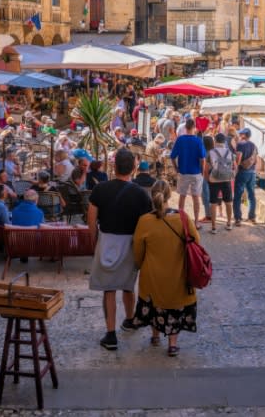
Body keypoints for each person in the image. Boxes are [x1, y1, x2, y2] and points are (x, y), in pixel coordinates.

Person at [88, 149, 153, 350]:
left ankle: (110, 334)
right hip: (131, 243)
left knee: (109, 289)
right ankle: (130, 319)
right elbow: (147, 224)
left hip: (107, 241)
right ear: (134, 168)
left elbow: (91, 220)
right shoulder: (141, 194)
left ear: (114, 167)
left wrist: (94, 242)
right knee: (127, 284)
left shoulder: (100, 190)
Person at [130, 180, 200, 356]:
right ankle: (172, 344)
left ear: (152, 197)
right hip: (178, 275)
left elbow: (137, 251)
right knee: (174, 306)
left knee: (155, 304)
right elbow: (196, 242)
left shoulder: (144, 221)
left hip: (152, 275)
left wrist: (139, 265)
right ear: (170, 196)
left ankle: (155, 336)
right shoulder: (183, 218)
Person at [169, 119, 207, 225]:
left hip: (183, 172)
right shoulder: (198, 141)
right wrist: (202, 171)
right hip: (196, 172)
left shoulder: (180, 140)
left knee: (182, 196)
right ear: (194, 128)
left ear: (185, 127)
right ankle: (196, 222)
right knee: (196, 198)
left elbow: (172, 156)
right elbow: (203, 158)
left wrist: (176, 168)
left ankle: (181, 221)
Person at [205, 133, 235, 234]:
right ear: (224, 141)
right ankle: (229, 223)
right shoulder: (229, 152)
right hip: (226, 179)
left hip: (214, 179)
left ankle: (214, 227)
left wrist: (207, 179)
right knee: (228, 202)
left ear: (215, 141)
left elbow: (206, 168)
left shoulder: (211, 152)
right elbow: (233, 166)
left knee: (213, 203)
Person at [232, 128, 259, 226]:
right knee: (251, 195)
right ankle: (252, 217)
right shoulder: (254, 145)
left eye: (241, 134)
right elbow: (256, 160)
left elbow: (238, 158)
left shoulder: (240, 144)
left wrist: (236, 168)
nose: (239, 135)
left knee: (237, 196)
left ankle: (238, 219)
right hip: (252, 173)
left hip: (242, 172)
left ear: (244, 135)